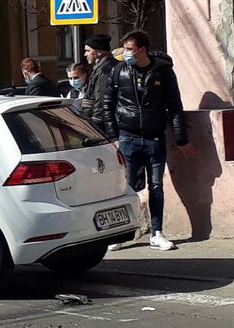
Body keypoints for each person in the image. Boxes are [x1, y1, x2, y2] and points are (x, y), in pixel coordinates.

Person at [111, 30, 191, 250]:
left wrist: (182, 138)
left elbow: (175, 106)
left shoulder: (162, 72)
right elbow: (108, 105)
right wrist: (112, 136)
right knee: (127, 187)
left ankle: (156, 232)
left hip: (154, 138)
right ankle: (122, 233)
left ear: (142, 50)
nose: (126, 53)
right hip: (127, 137)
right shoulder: (119, 71)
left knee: (156, 185)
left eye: (130, 49)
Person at [82, 34, 119, 139]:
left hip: (102, 125)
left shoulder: (106, 69)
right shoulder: (100, 67)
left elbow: (101, 97)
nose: (85, 54)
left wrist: (95, 121)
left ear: (99, 52)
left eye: (88, 51)